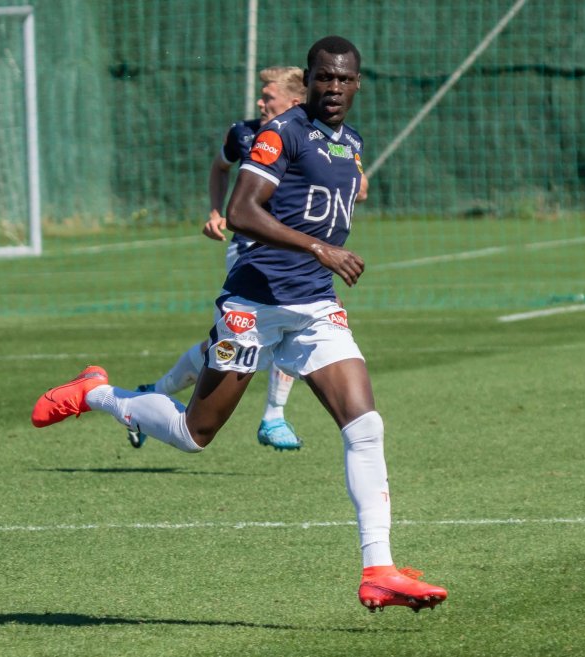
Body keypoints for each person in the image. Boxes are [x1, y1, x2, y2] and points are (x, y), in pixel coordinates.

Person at [31, 36, 446, 613]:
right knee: (192, 435)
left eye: (344, 79)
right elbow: (241, 211)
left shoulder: (350, 142)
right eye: (324, 77)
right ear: (310, 80)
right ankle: (97, 393)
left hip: (315, 307)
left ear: (357, 84)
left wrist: (322, 243)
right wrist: (319, 247)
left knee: (365, 426)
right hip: (252, 306)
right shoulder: (282, 133)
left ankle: (379, 570)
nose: (333, 87)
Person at [128, 66, 311, 453]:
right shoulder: (244, 134)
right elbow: (220, 167)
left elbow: (355, 184)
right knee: (279, 325)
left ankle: (153, 393)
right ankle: (273, 417)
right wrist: (216, 212)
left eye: (269, 97)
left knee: (234, 344)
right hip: (251, 251)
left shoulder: (313, 138)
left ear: (294, 102)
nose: (260, 102)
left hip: (295, 254)